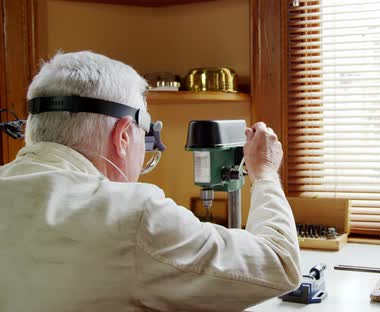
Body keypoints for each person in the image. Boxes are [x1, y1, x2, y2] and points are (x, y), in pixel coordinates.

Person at [0, 51, 301, 311]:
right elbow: (279, 264)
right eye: (144, 135)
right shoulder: (132, 214)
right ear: (122, 136)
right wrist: (265, 172)